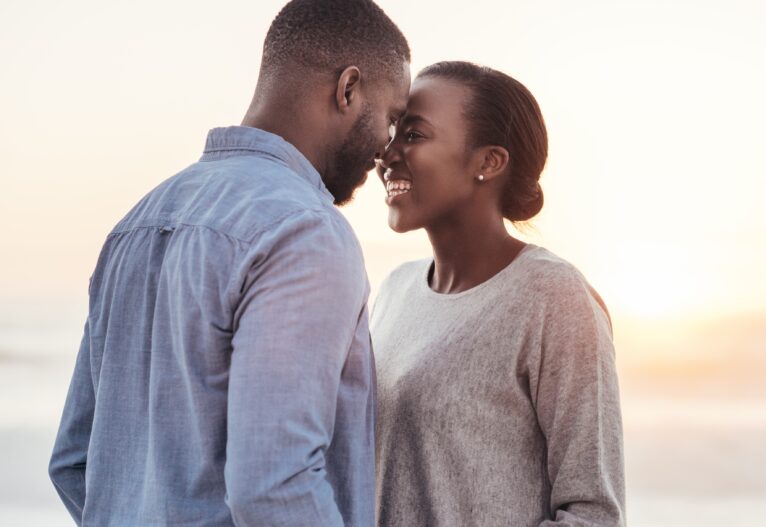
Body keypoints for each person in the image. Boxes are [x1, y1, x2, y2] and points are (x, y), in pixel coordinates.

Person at [48, 1, 410, 525]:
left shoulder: (137, 222)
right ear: (348, 89)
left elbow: (75, 462)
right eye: (392, 118)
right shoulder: (305, 230)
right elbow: (273, 486)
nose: (387, 147)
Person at [371, 61, 626, 526]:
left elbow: (594, 514)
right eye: (392, 133)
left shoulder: (553, 297)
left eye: (413, 135)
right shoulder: (393, 291)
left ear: (488, 162)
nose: (386, 154)